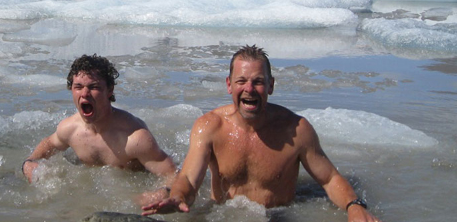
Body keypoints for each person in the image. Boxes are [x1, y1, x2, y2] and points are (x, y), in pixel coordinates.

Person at [142, 45, 381, 222]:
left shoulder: (295, 130)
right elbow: (189, 179)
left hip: (279, 216)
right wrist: (178, 196)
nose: (249, 89)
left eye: (258, 81)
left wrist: (354, 205)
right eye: (241, 81)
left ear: (270, 85)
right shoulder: (210, 127)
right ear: (229, 85)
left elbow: (329, 179)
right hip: (222, 215)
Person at [23, 54, 176, 202]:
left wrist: (162, 193)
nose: (84, 93)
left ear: (110, 90)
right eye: (78, 87)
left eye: (93, 87)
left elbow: (173, 175)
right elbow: (49, 144)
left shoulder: (135, 138)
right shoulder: (70, 129)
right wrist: (29, 163)